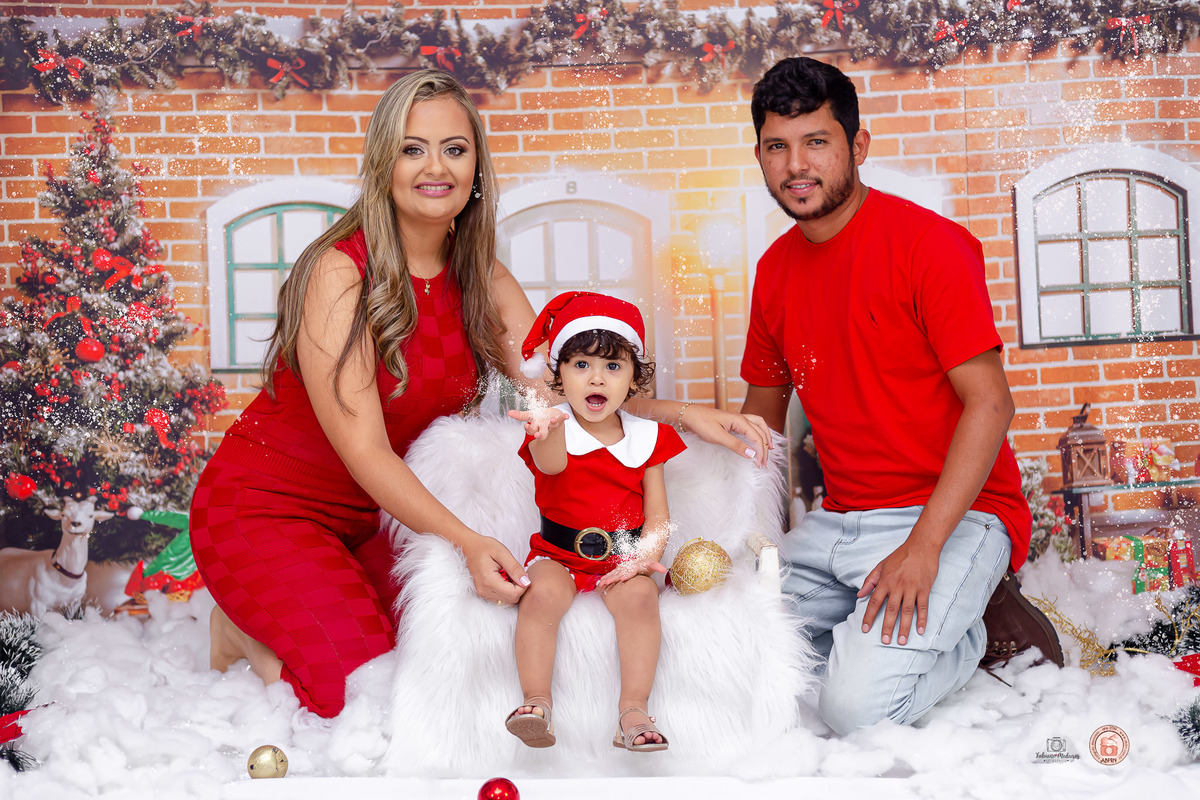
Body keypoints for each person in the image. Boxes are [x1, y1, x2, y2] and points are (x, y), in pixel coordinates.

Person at [189, 70, 772, 719]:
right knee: (362, 697)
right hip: (268, 508)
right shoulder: (339, 273)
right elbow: (365, 450)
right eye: (412, 149)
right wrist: (467, 540)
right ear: (383, 162)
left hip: (382, 517)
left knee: (445, 668)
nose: (435, 167)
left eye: (454, 149)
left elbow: (572, 393)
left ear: (475, 167)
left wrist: (686, 415)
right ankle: (241, 632)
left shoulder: (483, 280)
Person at [739, 57, 1061, 736]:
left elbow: (991, 404)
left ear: (858, 145)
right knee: (731, 643)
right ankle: (887, 623)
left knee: (854, 710)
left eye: (816, 141)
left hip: (953, 515)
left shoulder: (930, 246)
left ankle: (971, 632)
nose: (796, 165)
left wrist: (924, 546)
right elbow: (760, 428)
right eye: (777, 146)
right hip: (838, 524)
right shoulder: (773, 272)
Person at [504, 292, 681, 752]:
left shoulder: (649, 437)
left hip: (622, 556)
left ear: (634, 378)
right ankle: (536, 702)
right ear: (559, 373)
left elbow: (658, 516)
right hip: (557, 554)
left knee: (641, 598)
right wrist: (544, 434)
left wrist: (644, 558)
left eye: (613, 366)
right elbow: (552, 465)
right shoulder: (553, 427)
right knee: (541, 595)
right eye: (581, 365)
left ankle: (633, 711)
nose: (596, 377)